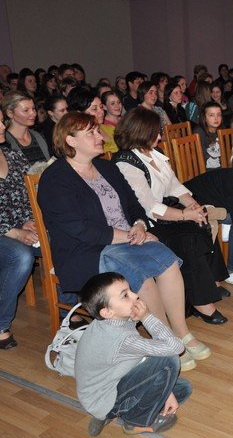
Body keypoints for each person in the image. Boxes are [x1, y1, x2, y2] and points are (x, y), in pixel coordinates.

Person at [38, 112, 210, 371]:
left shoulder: (107, 167)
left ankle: (182, 333)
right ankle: (164, 340)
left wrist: (139, 224)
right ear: (70, 140)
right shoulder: (55, 179)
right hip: (86, 251)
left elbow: (133, 204)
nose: (100, 136)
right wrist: (130, 235)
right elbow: (80, 229)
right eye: (91, 133)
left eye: (98, 130)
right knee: (142, 277)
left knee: (168, 262)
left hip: (127, 240)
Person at [113, 106, 229, 325]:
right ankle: (201, 302)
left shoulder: (153, 153)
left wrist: (193, 206)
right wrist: (185, 214)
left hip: (161, 211)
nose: (159, 137)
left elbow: (174, 186)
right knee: (188, 236)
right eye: (155, 133)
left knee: (201, 220)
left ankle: (210, 283)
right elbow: (149, 206)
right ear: (140, 132)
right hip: (145, 221)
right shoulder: (126, 163)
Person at [76, 272, 192, 436]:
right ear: (107, 312)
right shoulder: (121, 340)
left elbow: (136, 357)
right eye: (125, 295)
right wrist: (147, 317)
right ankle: (134, 422)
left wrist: (167, 392)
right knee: (170, 360)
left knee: (183, 388)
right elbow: (177, 347)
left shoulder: (107, 321)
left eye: (130, 290)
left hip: (109, 386)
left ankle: (113, 413)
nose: (135, 295)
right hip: (104, 398)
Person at [0, 108, 38, 350]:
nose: (3, 127)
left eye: (1, 121)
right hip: (3, 232)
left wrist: (28, 221)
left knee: (61, 236)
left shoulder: (12, 155)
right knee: (21, 256)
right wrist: (15, 232)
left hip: (17, 225)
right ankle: (1, 324)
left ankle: (69, 310)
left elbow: (29, 195)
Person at [2, 90, 50, 166]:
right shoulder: (5, 142)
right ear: (10, 113)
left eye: (33, 108)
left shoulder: (39, 136)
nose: (33, 113)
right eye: (26, 110)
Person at [195, 101, 224, 170]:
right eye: (211, 115)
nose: (216, 118)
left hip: (222, 166)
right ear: (204, 117)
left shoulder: (222, 130)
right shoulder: (199, 133)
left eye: (219, 115)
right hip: (207, 169)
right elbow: (201, 158)